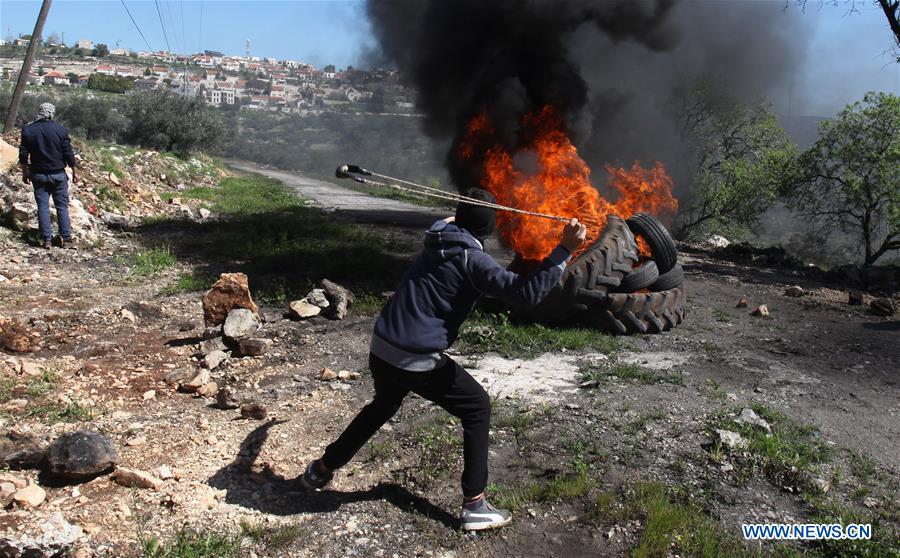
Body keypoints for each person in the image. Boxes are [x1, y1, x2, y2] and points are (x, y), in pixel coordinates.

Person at [300, 188, 587, 531]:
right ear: (488, 227)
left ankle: (322, 469)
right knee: (477, 406)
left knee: (383, 404)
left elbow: (449, 221)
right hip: (413, 356)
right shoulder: (472, 260)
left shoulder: (437, 238)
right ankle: (475, 505)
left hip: (383, 346)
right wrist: (565, 249)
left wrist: (458, 216)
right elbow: (525, 293)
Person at [19, 102, 78, 249]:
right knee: (62, 207)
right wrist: (75, 171)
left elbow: (23, 154)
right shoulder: (61, 130)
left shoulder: (28, 130)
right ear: (52, 114)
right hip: (58, 174)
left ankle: (47, 240)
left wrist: (25, 172)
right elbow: (68, 153)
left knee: (43, 207)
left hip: (38, 175)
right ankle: (67, 239)